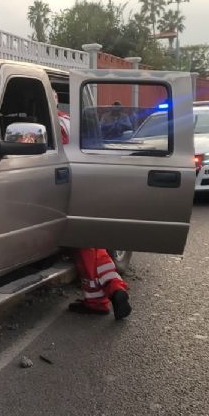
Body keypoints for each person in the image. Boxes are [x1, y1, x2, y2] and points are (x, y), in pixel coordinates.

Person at [56, 92, 131, 320]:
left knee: (85, 248)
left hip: (66, 189)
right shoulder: (70, 118)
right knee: (91, 247)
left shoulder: (53, 123)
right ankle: (111, 291)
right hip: (86, 182)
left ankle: (103, 298)